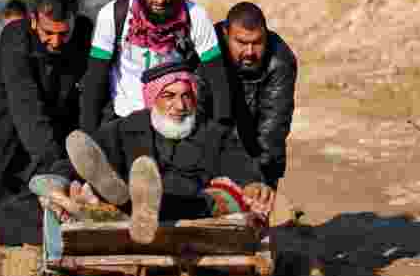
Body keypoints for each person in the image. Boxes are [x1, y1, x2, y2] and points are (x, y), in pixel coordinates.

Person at [34, 61, 274, 245]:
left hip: (190, 206)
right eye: (169, 96)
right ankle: (124, 200)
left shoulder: (213, 133)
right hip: (126, 203)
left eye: (186, 96)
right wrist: (59, 180)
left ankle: (134, 205)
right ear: (152, 99)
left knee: (221, 198)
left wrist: (252, 183)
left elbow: (239, 163)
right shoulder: (124, 129)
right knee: (107, 187)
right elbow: (83, 159)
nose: (180, 106)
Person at [0, 0, 93, 246]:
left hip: (60, 111)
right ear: (33, 21)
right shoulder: (15, 38)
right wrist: (54, 165)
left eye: (63, 33)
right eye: (47, 33)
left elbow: (89, 95)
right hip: (9, 119)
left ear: (75, 19)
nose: (55, 41)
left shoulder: (86, 33)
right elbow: (25, 106)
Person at [80, 0, 231, 134]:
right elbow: (95, 79)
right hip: (126, 121)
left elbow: (218, 80)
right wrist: (89, 134)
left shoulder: (196, 17)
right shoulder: (112, 15)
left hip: (176, 122)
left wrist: (220, 133)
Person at [200, 2, 297, 188]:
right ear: (226, 34)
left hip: (257, 157)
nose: (250, 52)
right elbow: (197, 115)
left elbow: (272, 131)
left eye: (257, 42)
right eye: (242, 43)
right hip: (209, 153)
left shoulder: (280, 61)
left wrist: (254, 182)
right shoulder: (205, 50)